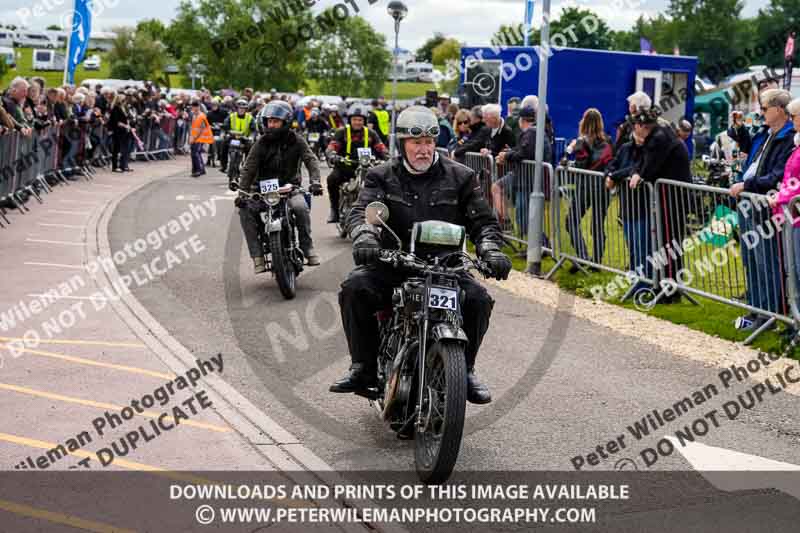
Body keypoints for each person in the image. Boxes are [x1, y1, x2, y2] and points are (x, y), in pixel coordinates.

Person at [330, 106, 512, 404]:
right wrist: (364, 236)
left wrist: (491, 249)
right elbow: (362, 211)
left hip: (446, 267)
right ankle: (363, 367)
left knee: (478, 300)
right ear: (403, 144)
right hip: (394, 263)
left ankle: (465, 370)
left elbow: (483, 222)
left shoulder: (461, 177)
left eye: (429, 142)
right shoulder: (381, 175)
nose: (423, 149)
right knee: (355, 288)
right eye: (416, 143)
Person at [730, 89, 795, 330]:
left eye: (765, 108)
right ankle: (756, 309)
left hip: (765, 204)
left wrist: (747, 185)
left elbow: (777, 175)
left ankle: (769, 314)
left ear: (779, 109)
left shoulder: (789, 138)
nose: (761, 112)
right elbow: (749, 153)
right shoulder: (766, 133)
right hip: (749, 201)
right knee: (751, 260)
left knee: (766, 261)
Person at [237, 101, 323, 270]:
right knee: (245, 210)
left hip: (290, 189)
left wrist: (315, 182)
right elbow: (248, 168)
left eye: (275, 121)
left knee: (300, 208)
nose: (271, 125)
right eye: (269, 121)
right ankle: (257, 256)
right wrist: (242, 193)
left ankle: (307, 248)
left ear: (286, 122)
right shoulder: (261, 143)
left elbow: (311, 160)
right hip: (263, 191)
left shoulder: (296, 140)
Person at [630, 107, 692, 302]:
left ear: (642, 126)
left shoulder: (658, 138)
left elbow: (650, 166)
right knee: (667, 242)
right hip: (671, 193)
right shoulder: (660, 134)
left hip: (671, 195)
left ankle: (669, 289)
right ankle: (667, 286)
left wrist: (639, 174)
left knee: (668, 242)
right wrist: (637, 172)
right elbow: (644, 162)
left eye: (635, 125)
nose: (634, 129)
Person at [564, 108, 614, 271]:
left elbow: (582, 164)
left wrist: (572, 151)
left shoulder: (581, 142)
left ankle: (583, 256)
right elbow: (608, 163)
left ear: (584, 122)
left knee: (571, 221)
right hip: (602, 188)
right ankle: (595, 262)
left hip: (586, 187)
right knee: (597, 225)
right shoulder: (607, 142)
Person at [324, 104, 389, 223]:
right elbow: (332, 146)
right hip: (345, 167)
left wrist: (388, 158)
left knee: (384, 183)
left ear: (364, 121)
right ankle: (334, 211)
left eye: (360, 120)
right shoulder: (341, 132)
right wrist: (332, 155)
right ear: (350, 120)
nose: (357, 122)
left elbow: (381, 148)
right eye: (355, 119)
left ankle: (379, 212)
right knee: (332, 179)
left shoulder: (371, 133)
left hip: (367, 168)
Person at [493, 106, 552, 236]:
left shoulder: (531, 132)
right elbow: (522, 151)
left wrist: (506, 156)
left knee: (524, 218)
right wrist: (508, 154)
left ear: (521, 120)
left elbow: (524, 153)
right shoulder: (534, 132)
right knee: (523, 215)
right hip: (525, 177)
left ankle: (541, 244)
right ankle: (509, 226)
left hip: (528, 180)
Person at [220, 99, 254, 173]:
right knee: (223, 145)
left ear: (246, 109)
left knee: (250, 148)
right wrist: (224, 132)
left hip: (244, 138)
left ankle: (247, 167)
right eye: (240, 108)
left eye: (243, 108)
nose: (241, 110)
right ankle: (223, 166)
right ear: (237, 108)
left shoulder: (250, 117)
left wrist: (251, 136)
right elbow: (225, 125)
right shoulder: (231, 116)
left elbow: (254, 129)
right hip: (232, 136)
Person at [108, 92, 132, 173]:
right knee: (116, 148)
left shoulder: (124, 108)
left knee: (124, 148)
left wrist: (128, 125)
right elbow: (116, 121)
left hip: (124, 131)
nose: (125, 101)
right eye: (123, 100)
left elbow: (126, 118)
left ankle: (123, 165)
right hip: (117, 131)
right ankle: (115, 166)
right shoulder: (115, 108)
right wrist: (125, 126)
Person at [189, 100, 213, 177]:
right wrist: (191, 137)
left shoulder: (201, 116)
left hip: (200, 137)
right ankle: (199, 170)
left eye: (196, 107)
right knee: (195, 153)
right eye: (194, 107)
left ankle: (198, 170)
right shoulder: (194, 115)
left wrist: (194, 138)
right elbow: (193, 127)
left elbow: (201, 129)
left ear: (199, 107)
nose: (195, 108)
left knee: (195, 153)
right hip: (195, 137)